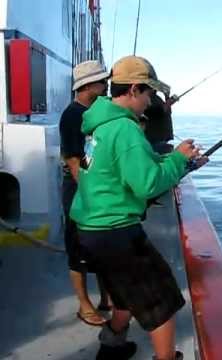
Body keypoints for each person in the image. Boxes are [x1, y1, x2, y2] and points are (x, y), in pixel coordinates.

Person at [70, 55, 205, 360]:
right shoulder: (126, 129)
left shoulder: (102, 124)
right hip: (114, 231)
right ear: (133, 89)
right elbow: (147, 184)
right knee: (163, 300)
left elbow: (136, 164)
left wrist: (180, 162)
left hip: (91, 229)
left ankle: (112, 349)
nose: (151, 101)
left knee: (123, 295)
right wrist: (180, 159)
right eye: (148, 93)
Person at [59, 60, 111, 327]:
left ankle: (106, 298)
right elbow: (72, 159)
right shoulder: (72, 114)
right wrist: (90, 193)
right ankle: (84, 304)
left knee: (101, 245)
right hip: (78, 188)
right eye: (103, 82)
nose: (106, 86)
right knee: (76, 247)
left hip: (93, 187)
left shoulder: (98, 112)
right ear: (89, 85)